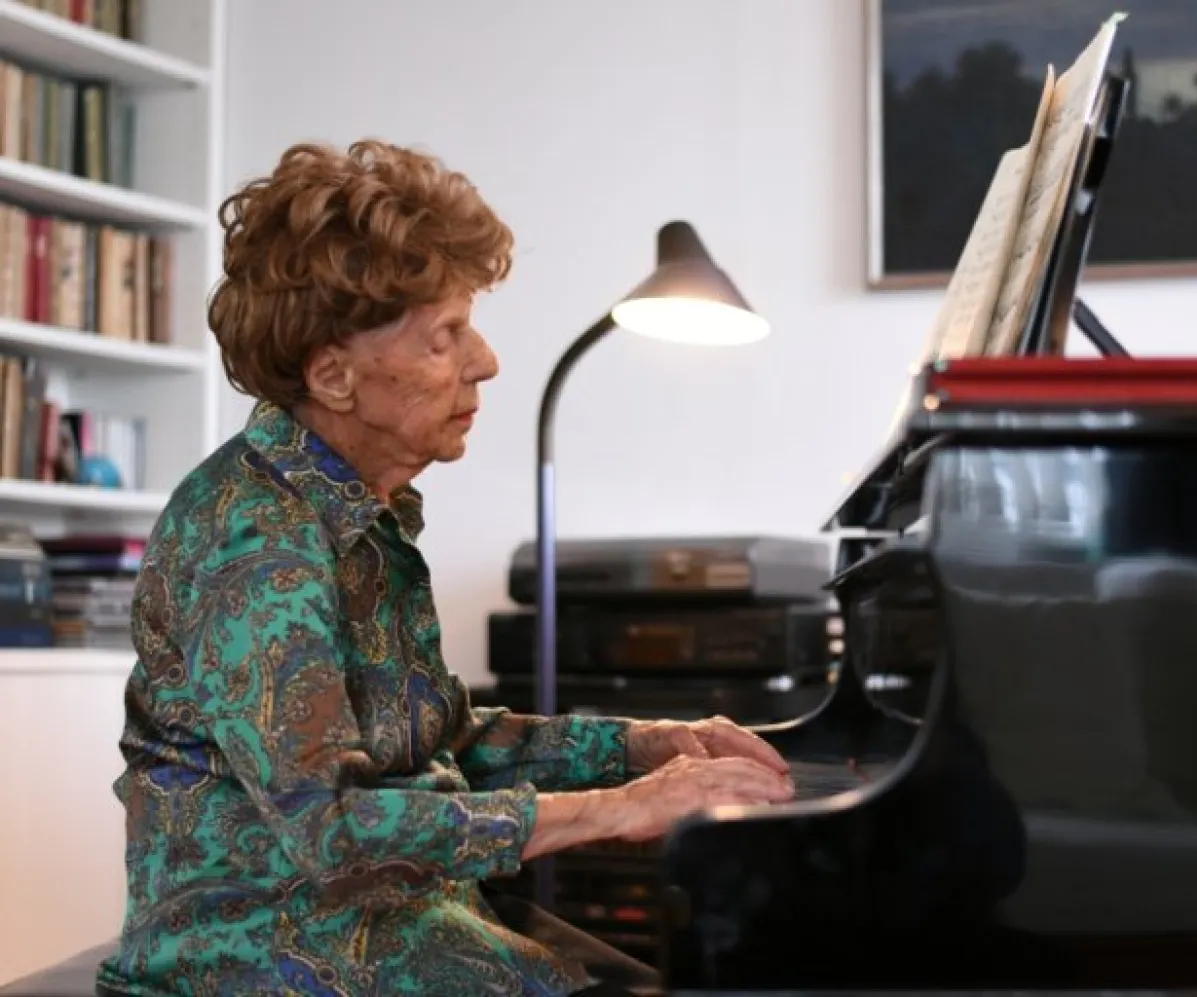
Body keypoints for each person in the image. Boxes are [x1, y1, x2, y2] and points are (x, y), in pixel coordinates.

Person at [95, 139, 794, 997]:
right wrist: (615, 810)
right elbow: (331, 824)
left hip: (385, 909)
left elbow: (444, 745)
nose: (486, 361)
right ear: (334, 375)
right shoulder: (257, 542)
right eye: (445, 337)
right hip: (259, 938)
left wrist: (639, 748)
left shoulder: (357, 510)